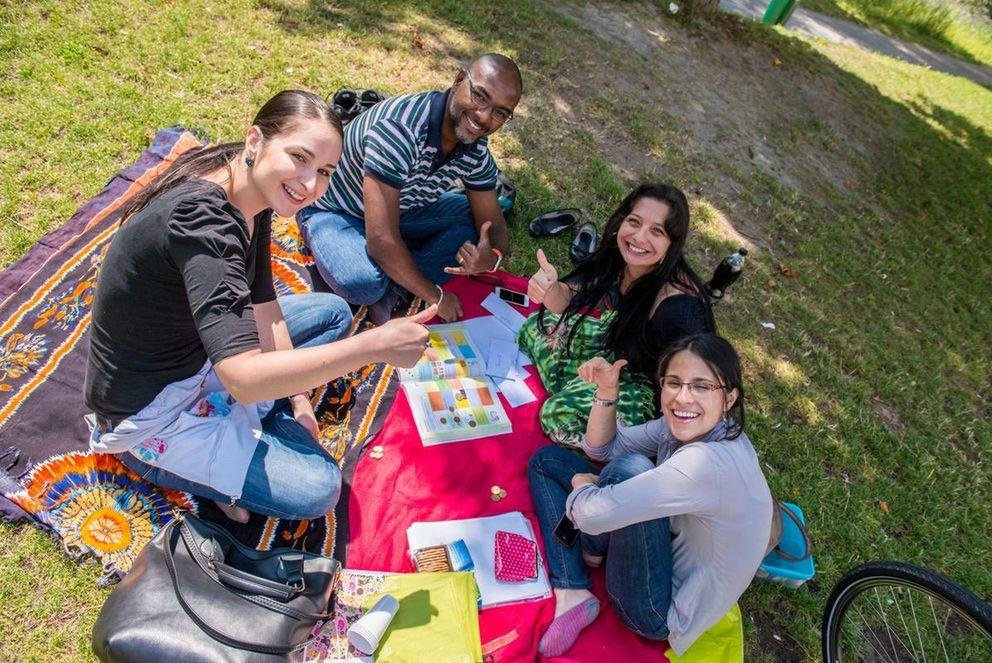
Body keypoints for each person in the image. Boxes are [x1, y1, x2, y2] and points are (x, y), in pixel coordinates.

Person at [85, 90, 435, 523]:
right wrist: (375, 347)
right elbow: (243, 382)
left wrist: (301, 402)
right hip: (150, 409)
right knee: (319, 489)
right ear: (255, 141)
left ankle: (240, 449)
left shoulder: (252, 188)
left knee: (333, 313)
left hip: (198, 352)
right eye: (300, 157)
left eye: (324, 172)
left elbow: (264, 303)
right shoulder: (203, 223)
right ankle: (182, 466)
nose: (310, 185)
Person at [528, 333, 773, 657]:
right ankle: (586, 563)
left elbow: (590, 512)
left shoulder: (705, 465)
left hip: (658, 611)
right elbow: (601, 447)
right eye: (674, 383)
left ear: (729, 398)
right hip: (666, 546)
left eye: (701, 386)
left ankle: (575, 577)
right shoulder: (695, 426)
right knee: (548, 461)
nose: (683, 398)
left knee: (631, 469)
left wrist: (583, 487)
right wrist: (607, 391)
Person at [296, 53, 523, 323]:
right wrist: (435, 295)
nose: (484, 118)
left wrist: (491, 258)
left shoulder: (475, 146)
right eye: (480, 96)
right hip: (337, 213)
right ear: (459, 80)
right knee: (363, 282)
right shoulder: (400, 129)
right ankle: (399, 276)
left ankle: (396, 282)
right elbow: (381, 240)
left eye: (500, 113)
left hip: (401, 211)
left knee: (476, 225)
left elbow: (494, 228)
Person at [518, 183, 715, 448]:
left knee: (556, 413)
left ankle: (606, 444)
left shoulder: (678, 309)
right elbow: (566, 298)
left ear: (672, 244)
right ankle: (580, 393)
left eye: (656, 231)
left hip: (649, 397)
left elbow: (696, 389)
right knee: (537, 327)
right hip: (616, 360)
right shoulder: (619, 256)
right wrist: (550, 288)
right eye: (634, 222)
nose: (639, 237)